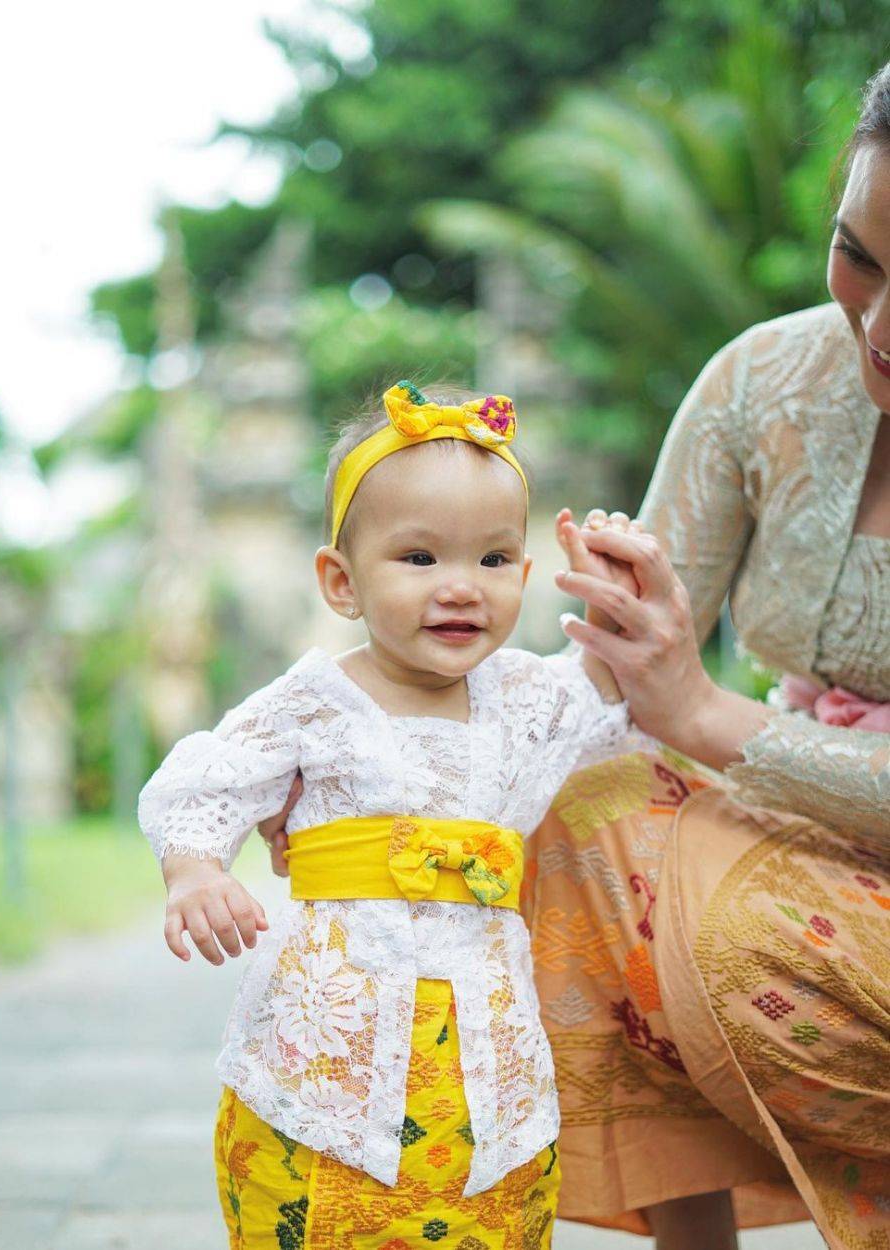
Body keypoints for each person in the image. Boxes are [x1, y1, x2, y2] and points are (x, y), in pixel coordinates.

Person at [137, 381, 641, 1248]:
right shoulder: (315, 701)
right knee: (315, 1211)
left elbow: (613, 702)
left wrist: (613, 602)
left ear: (524, 576)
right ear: (342, 581)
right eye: (419, 559)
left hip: (490, 1053)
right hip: (325, 1048)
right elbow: (205, 780)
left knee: (494, 1215)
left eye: (491, 561)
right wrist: (196, 867)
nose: (460, 588)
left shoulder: (526, 697)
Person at [524, 63, 890, 1250]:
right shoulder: (761, 381)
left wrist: (701, 712)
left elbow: (676, 703)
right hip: (798, 831)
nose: (877, 328)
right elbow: (599, 679)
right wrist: (364, 755)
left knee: (725, 920)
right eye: (861, 257)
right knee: (584, 813)